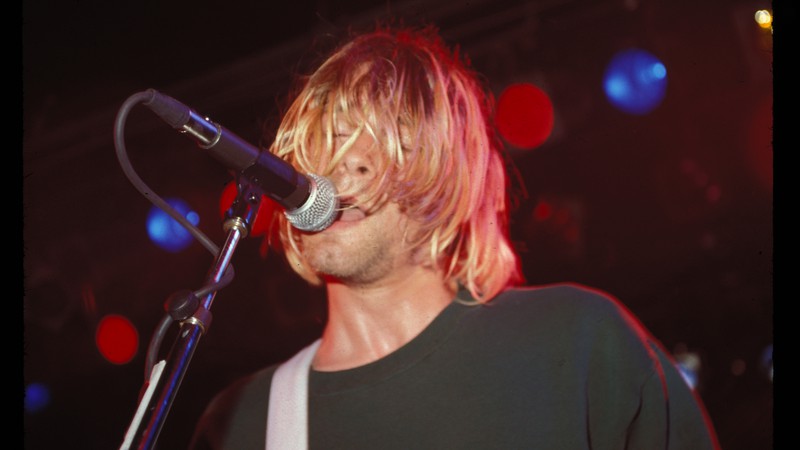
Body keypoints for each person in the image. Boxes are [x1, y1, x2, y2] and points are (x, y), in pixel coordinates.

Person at [189, 24, 721, 449]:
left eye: (389, 137)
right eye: (325, 138)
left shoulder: (579, 344)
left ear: (448, 172)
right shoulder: (241, 425)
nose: (341, 163)